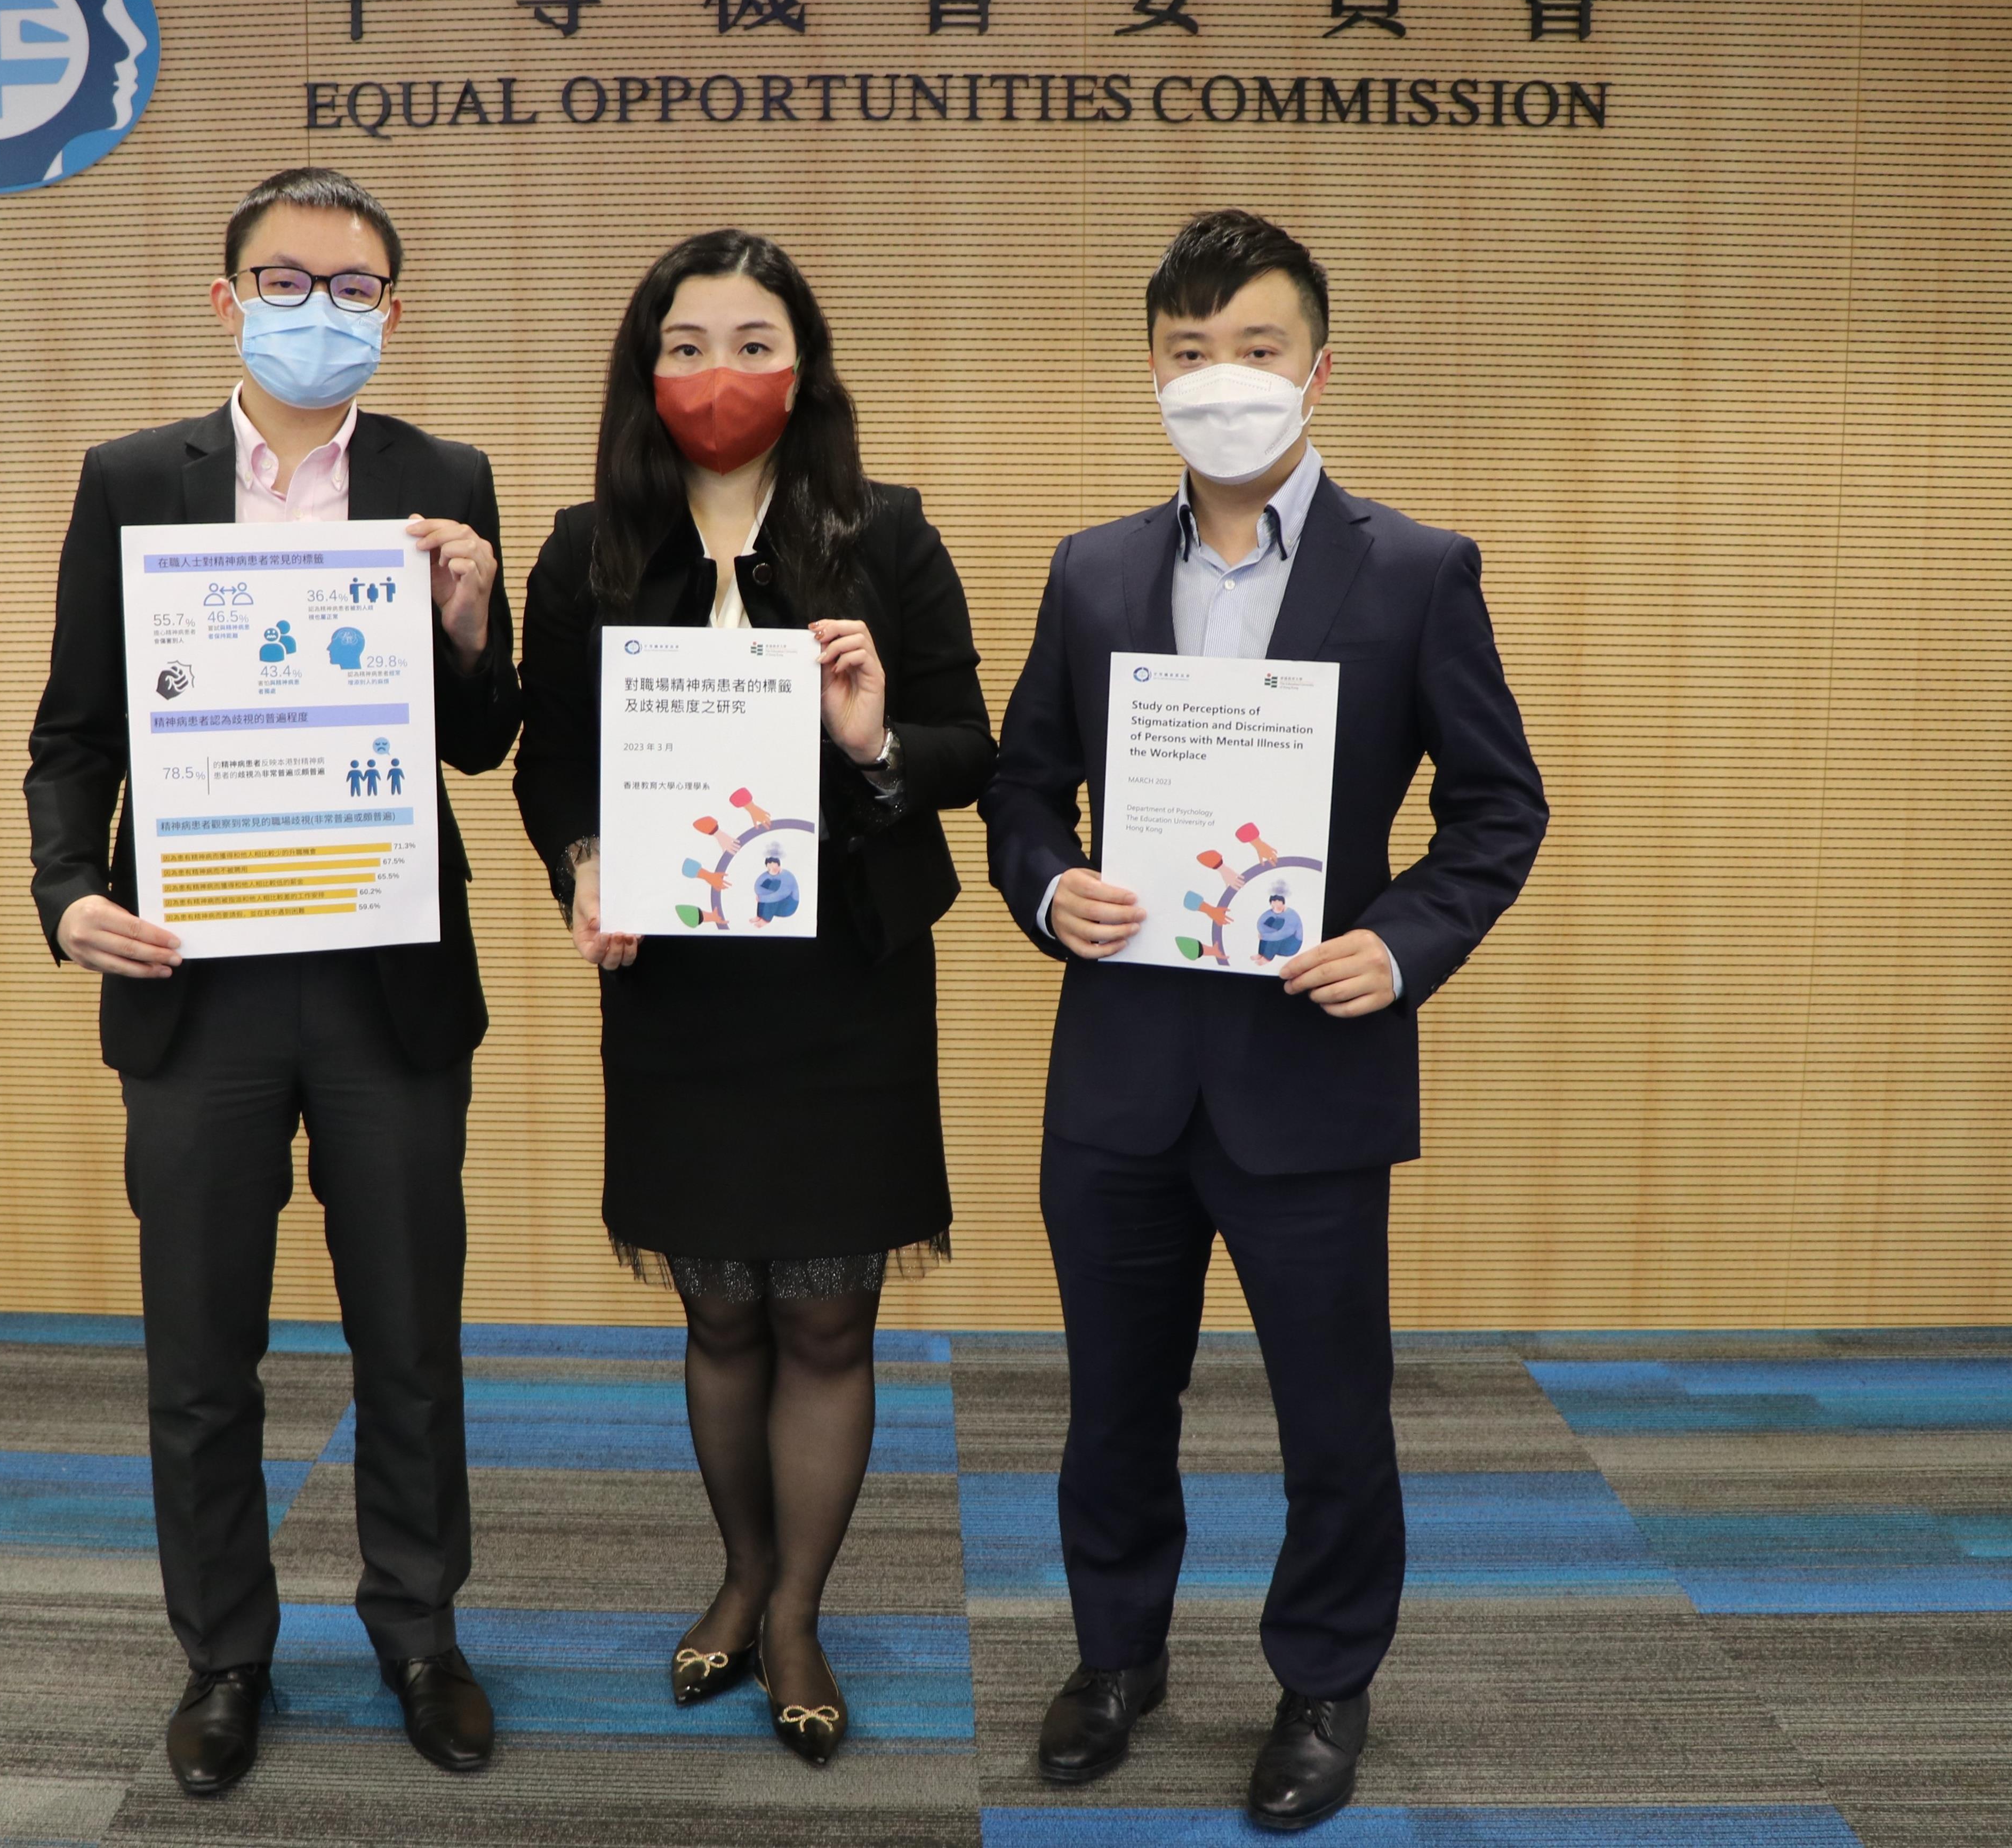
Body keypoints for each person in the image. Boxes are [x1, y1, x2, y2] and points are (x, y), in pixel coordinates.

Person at [980, 211, 1548, 1831]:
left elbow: (1500, 810)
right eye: (1188, 351)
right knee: (1110, 1402)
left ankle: (1321, 1683)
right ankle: (1116, 1656)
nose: (1222, 378)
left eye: (1257, 347)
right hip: (1122, 1077)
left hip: (1312, 1071)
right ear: (1150, 369)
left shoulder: (1419, 570)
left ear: (1318, 364)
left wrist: (1404, 941)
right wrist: (1049, 887)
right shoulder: (1094, 569)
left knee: (1329, 1410)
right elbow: (1025, 789)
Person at [24, 167, 518, 1798]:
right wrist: (70, 892)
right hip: (196, 981)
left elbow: (483, 740)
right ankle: (227, 1653)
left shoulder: (446, 477)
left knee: (409, 1338)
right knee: (199, 1352)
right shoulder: (130, 481)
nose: (325, 309)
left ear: (394, 306)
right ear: (227, 298)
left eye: (358, 286)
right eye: (290, 280)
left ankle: (420, 1633)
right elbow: (75, 733)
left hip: (385, 977)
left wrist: (467, 622)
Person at [512, 230, 993, 1767]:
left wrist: (869, 742)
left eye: (754, 341)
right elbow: (551, 769)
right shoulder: (587, 551)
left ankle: (796, 1611)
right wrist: (582, 861)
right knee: (721, 1306)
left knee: (827, 1315)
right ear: (644, 371)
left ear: (806, 365)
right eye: (688, 343)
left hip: (841, 984)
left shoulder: (887, 536)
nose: (720, 375)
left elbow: (969, 750)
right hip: (678, 990)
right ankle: (738, 1571)